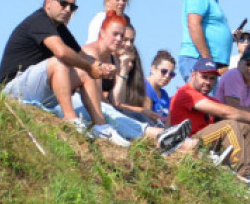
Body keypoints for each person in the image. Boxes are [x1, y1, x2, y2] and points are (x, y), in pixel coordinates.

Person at [0, 0, 126, 143]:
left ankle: (101, 127)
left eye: (72, 7)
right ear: (48, 3)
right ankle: (71, 121)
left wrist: (101, 67)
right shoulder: (39, 20)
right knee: (60, 61)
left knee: (84, 72)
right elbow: (61, 52)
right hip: (13, 89)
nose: (67, 10)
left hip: (37, 89)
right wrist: (90, 66)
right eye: (63, 4)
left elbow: (82, 56)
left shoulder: (60, 29)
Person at [79, 13, 187, 146]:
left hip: (107, 108)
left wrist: (123, 69)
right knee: (133, 115)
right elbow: (107, 100)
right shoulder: (95, 54)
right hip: (92, 107)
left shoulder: (117, 61)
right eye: (124, 38)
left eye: (131, 40)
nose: (127, 44)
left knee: (137, 116)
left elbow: (116, 100)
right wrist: (139, 109)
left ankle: (173, 140)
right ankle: (164, 139)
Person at [169, 57, 250, 187]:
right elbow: (225, 112)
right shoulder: (186, 93)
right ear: (193, 74)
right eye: (204, 77)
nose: (208, 82)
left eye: (212, 79)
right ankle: (244, 173)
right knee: (229, 125)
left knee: (244, 126)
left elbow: (232, 110)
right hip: (188, 142)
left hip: (204, 140)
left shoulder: (207, 98)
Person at [179, 0, 233, 80]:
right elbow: (194, 24)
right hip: (198, 59)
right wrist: (207, 60)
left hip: (209, 63)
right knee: (202, 98)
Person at [145, 50, 176, 123]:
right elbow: (146, 117)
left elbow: (167, 122)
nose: (167, 76)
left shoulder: (164, 94)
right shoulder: (144, 87)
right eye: (164, 71)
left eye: (171, 74)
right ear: (153, 69)